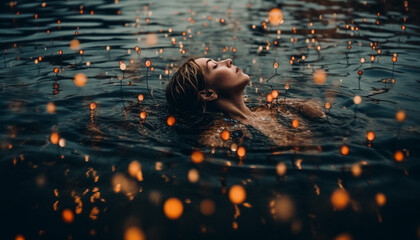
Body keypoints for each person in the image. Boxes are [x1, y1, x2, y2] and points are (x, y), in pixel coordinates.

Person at [165, 57, 325, 148]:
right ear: (208, 94)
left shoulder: (276, 108)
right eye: (214, 66)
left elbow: (317, 111)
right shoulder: (219, 133)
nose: (228, 60)